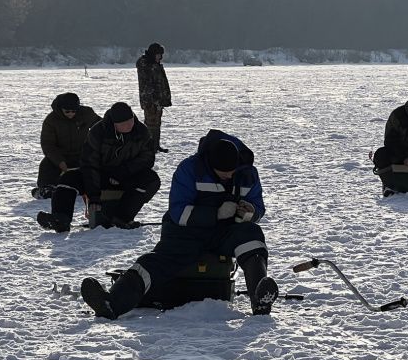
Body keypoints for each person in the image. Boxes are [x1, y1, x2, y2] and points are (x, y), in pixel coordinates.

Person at [80, 130, 278, 319]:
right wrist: (214, 213)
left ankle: (260, 299)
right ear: (210, 163)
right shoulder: (189, 169)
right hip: (185, 234)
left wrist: (251, 212)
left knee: (252, 236)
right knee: (152, 264)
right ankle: (111, 304)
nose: (228, 176)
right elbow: (178, 212)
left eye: (232, 172)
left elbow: (258, 206)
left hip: (226, 233)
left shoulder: (248, 173)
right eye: (223, 172)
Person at [36, 102, 159, 232]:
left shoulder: (142, 132)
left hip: (126, 175)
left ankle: (123, 217)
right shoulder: (98, 132)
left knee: (151, 180)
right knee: (68, 179)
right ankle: (61, 218)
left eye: (130, 121)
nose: (128, 125)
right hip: (99, 175)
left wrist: (123, 171)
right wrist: (94, 197)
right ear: (114, 123)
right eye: (123, 123)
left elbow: (147, 159)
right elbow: (89, 164)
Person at [33, 93, 100, 200]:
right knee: (47, 164)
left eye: (74, 111)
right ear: (61, 109)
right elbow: (48, 145)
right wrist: (59, 162)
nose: (70, 114)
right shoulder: (51, 120)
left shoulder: (86, 114)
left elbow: (101, 126)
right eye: (67, 111)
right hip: (60, 155)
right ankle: (46, 189)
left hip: (82, 154)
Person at [136, 42, 171, 152]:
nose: (160, 57)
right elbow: (148, 84)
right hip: (150, 101)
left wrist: (163, 99)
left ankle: (156, 145)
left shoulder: (156, 65)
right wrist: (154, 99)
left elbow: (161, 82)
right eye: (158, 54)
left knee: (157, 123)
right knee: (151, 124)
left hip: (158, 101)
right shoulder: (145, 65)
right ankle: (149, 146)